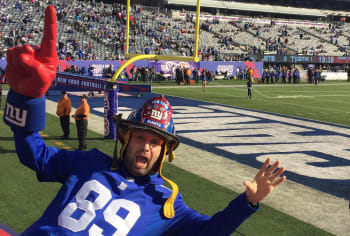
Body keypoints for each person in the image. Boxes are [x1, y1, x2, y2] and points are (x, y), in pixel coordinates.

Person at [3, 6, 287, 235]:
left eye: (155, 141)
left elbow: (209, 231)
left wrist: (247, 202)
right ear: (127, 138)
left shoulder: (166, 203)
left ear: (164, 151)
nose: (147, 147)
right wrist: (26, 98)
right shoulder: (88, 161)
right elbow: (34, 156)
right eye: (141, 137)